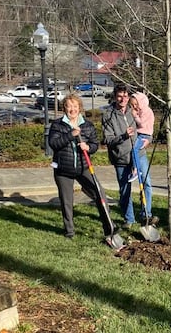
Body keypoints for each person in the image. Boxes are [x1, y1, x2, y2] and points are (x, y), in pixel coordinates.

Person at [48, 94, 119, 241]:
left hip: (83, 167)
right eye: (69, 106)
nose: (72, 109)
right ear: (64, 108)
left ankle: (109, 226)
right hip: (63, 169)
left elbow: (94, 144)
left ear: (80, 108)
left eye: (75, 106)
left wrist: (89, 147)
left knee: (100, 195)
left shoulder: (87, 125)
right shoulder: (57, 125)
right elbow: (53, 144)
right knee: (67, 201)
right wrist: (70, 135)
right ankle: (69, 232)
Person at [102, 84, 156, 229]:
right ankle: (129, 219)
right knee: (125, 189)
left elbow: (146, 129)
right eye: (120, 96)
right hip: (121, 157)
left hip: (139, 154)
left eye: (125, 96)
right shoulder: (109, 115)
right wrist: (123, 136)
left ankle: (146, 215)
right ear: (115, 96)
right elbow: (107, 139)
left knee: (146, 183)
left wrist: (148, 140)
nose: (123, 99)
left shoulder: (133, 111)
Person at [128, 92, 154, 184]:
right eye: (132, 105)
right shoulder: (141, 110)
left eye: (136, 104)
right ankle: (136, 168)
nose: (134, 106)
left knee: (135, 149)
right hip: (142, 134)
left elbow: (142, 123)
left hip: (144, 134)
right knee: (135, 150)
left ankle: (136, 169)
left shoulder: (146, 111)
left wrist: (135, 116)